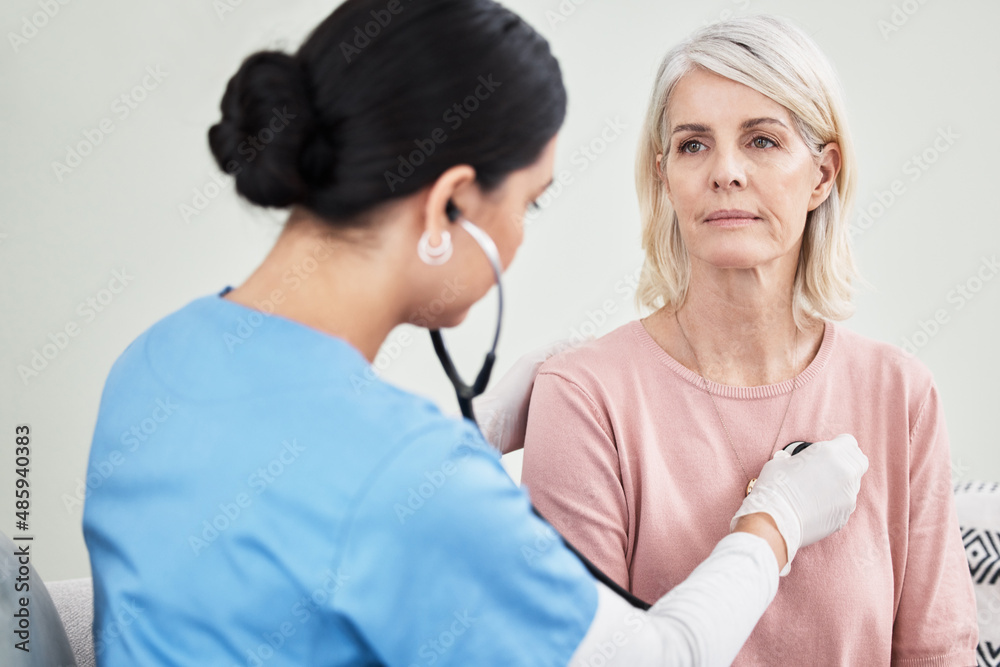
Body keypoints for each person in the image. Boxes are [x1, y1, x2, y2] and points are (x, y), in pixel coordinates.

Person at [81, 2, 868, 665]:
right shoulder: (405, 475)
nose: (520, 240)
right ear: (450, 204)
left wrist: (475, 440)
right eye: (528, 204)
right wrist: (777, 520)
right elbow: (657, 657)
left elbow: (299, 513)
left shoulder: (152, 360)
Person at [520, 14, 978, 666]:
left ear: (822, 175)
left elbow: (938, 653)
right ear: (665, 176)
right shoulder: (586, 395)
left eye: (762, 141)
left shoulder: (899, 394)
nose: (725, 171)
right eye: (693, 144)